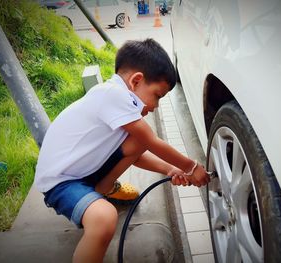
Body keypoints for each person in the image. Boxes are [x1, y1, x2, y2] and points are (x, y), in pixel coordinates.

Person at [34, 38, 209, 262]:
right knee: (104, 219)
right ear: (136, 80)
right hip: (62, 182)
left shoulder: (115, 100)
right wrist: (191, 166)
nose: (155, 106)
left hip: (84, 173)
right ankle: (98, 197)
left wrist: (171, 170)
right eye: (157, 96)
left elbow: (137, 151)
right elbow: (152, 141)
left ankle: (103, 188)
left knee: (137, 140)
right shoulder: (112, 95)